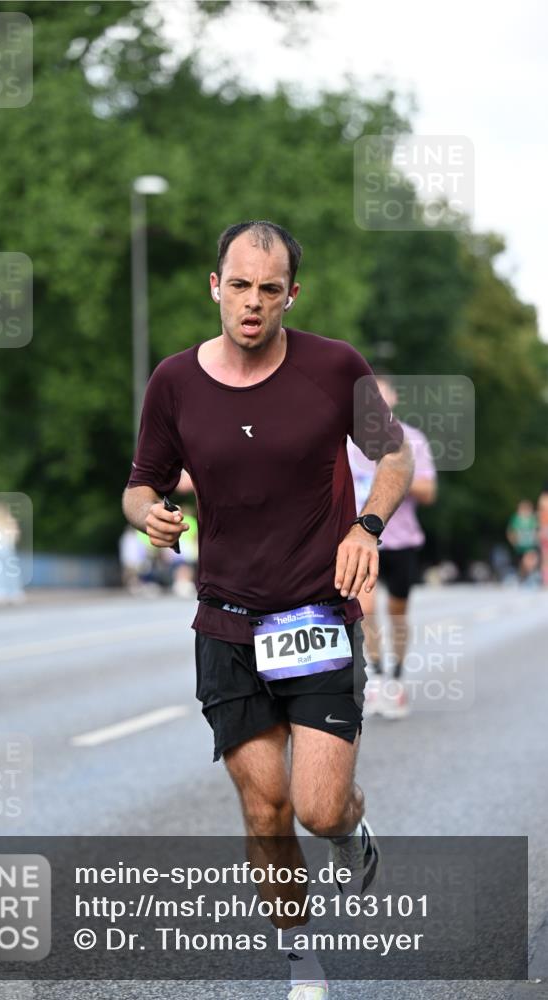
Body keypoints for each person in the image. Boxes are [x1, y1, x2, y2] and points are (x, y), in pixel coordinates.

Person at [122, 221, 413, 999]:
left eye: (269, 289)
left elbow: (393, 455)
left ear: (291, 294)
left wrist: (368, 526)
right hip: (225, 622)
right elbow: (141, 482)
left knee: (317, 810)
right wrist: (147, 513)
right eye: (239, 285)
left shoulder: (331, 367)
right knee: (265, 809)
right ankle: (298, 958)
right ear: (214, 285)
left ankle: (351, 827)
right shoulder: (174, 382)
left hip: (316, 615)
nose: (252, 303)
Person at [347, 374, 437, 719]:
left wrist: (394, 475)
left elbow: (428, 492)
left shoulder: (411, 440)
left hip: (402, 540)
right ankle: (379, 674)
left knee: (397, 613)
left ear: (394, 400)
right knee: (364, 607)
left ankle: (396, 677)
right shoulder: (348, 442)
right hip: (363, 538)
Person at [506, 499, 538, 574]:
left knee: (530, 562)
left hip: (531, 547)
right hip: (520, 548)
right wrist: (513, 541)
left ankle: (531, 575)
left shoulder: (533, 519)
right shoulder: (516, 519)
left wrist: (536, 540)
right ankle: (523, 577)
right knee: (522, 565)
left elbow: (538, 530)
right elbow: (511, 532)